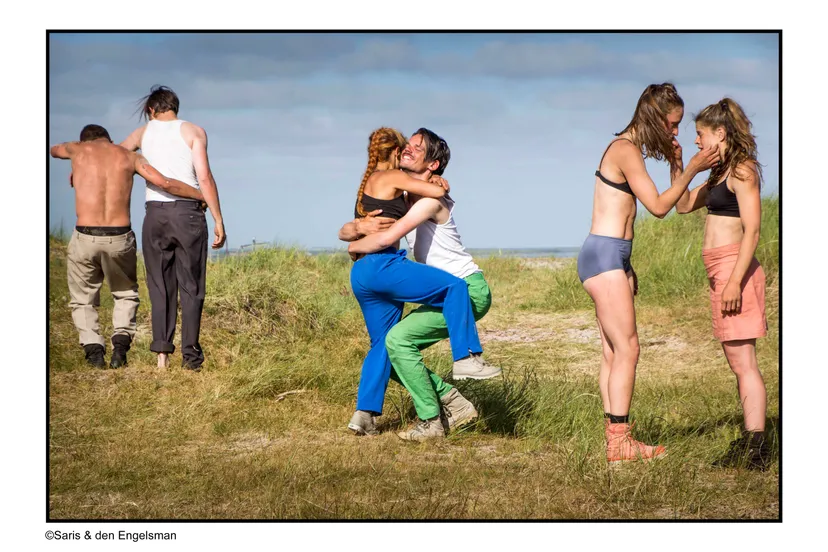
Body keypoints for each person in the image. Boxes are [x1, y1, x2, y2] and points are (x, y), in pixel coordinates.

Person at [576, 83, 719, 464]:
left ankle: (615, 440)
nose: (675, 132)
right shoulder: (624, 149)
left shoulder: (628, 150)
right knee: (629, 348)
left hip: (612, 256)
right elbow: (657, 206)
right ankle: (620, 443)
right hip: (605, 254)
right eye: (672, 125)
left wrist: (678, 164)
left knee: (612, 351)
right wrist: (691, 167)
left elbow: (676, 204)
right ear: (655, 117)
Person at [339, 127, 501, 436]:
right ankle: (449, 405)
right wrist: (353, 229)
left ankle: (465, 362)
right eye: (407, 145)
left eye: (416, 147)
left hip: (467, 287)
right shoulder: (405, 197)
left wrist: (354, 244)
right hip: (430, 283)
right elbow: (367, 222)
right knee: (391, 345)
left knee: (397, 340)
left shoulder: (427, 201)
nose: (408, 150)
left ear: (432, 165)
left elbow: (388, 235)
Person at [50, 124, 204, 368]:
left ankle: (94, 352)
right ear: (110, 140)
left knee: (83, 299)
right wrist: (200, 195)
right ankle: (120, 348)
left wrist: (74, 160)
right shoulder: (130, 157)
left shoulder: (76, 150)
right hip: (119, 237)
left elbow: (53, 150)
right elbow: (163, 182)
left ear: (85, 140)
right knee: (124, 294)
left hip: (85, 235)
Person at [676, 98, 771, 470]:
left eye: (700, 134)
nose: (697, 140)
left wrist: (734, 283)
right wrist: (682, 163)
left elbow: (753, 231)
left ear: (720, 133)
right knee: (737, 361)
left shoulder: (743, 172)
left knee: (744, 361)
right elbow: (682, 204)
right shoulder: (718, 174)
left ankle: (758, 449)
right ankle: (752, 440)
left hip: (735, 270)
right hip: (721, 271)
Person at [121, 86, 226, 371]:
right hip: (188, 214)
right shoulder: (193, 131)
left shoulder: (142, 133)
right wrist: (217, 218)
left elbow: (116, 155)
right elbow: (203, 176)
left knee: (159, 286)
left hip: (154, 215)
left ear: (151, 110)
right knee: (191, 286)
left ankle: (162, 358)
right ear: (174, 107)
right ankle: (191, 357)